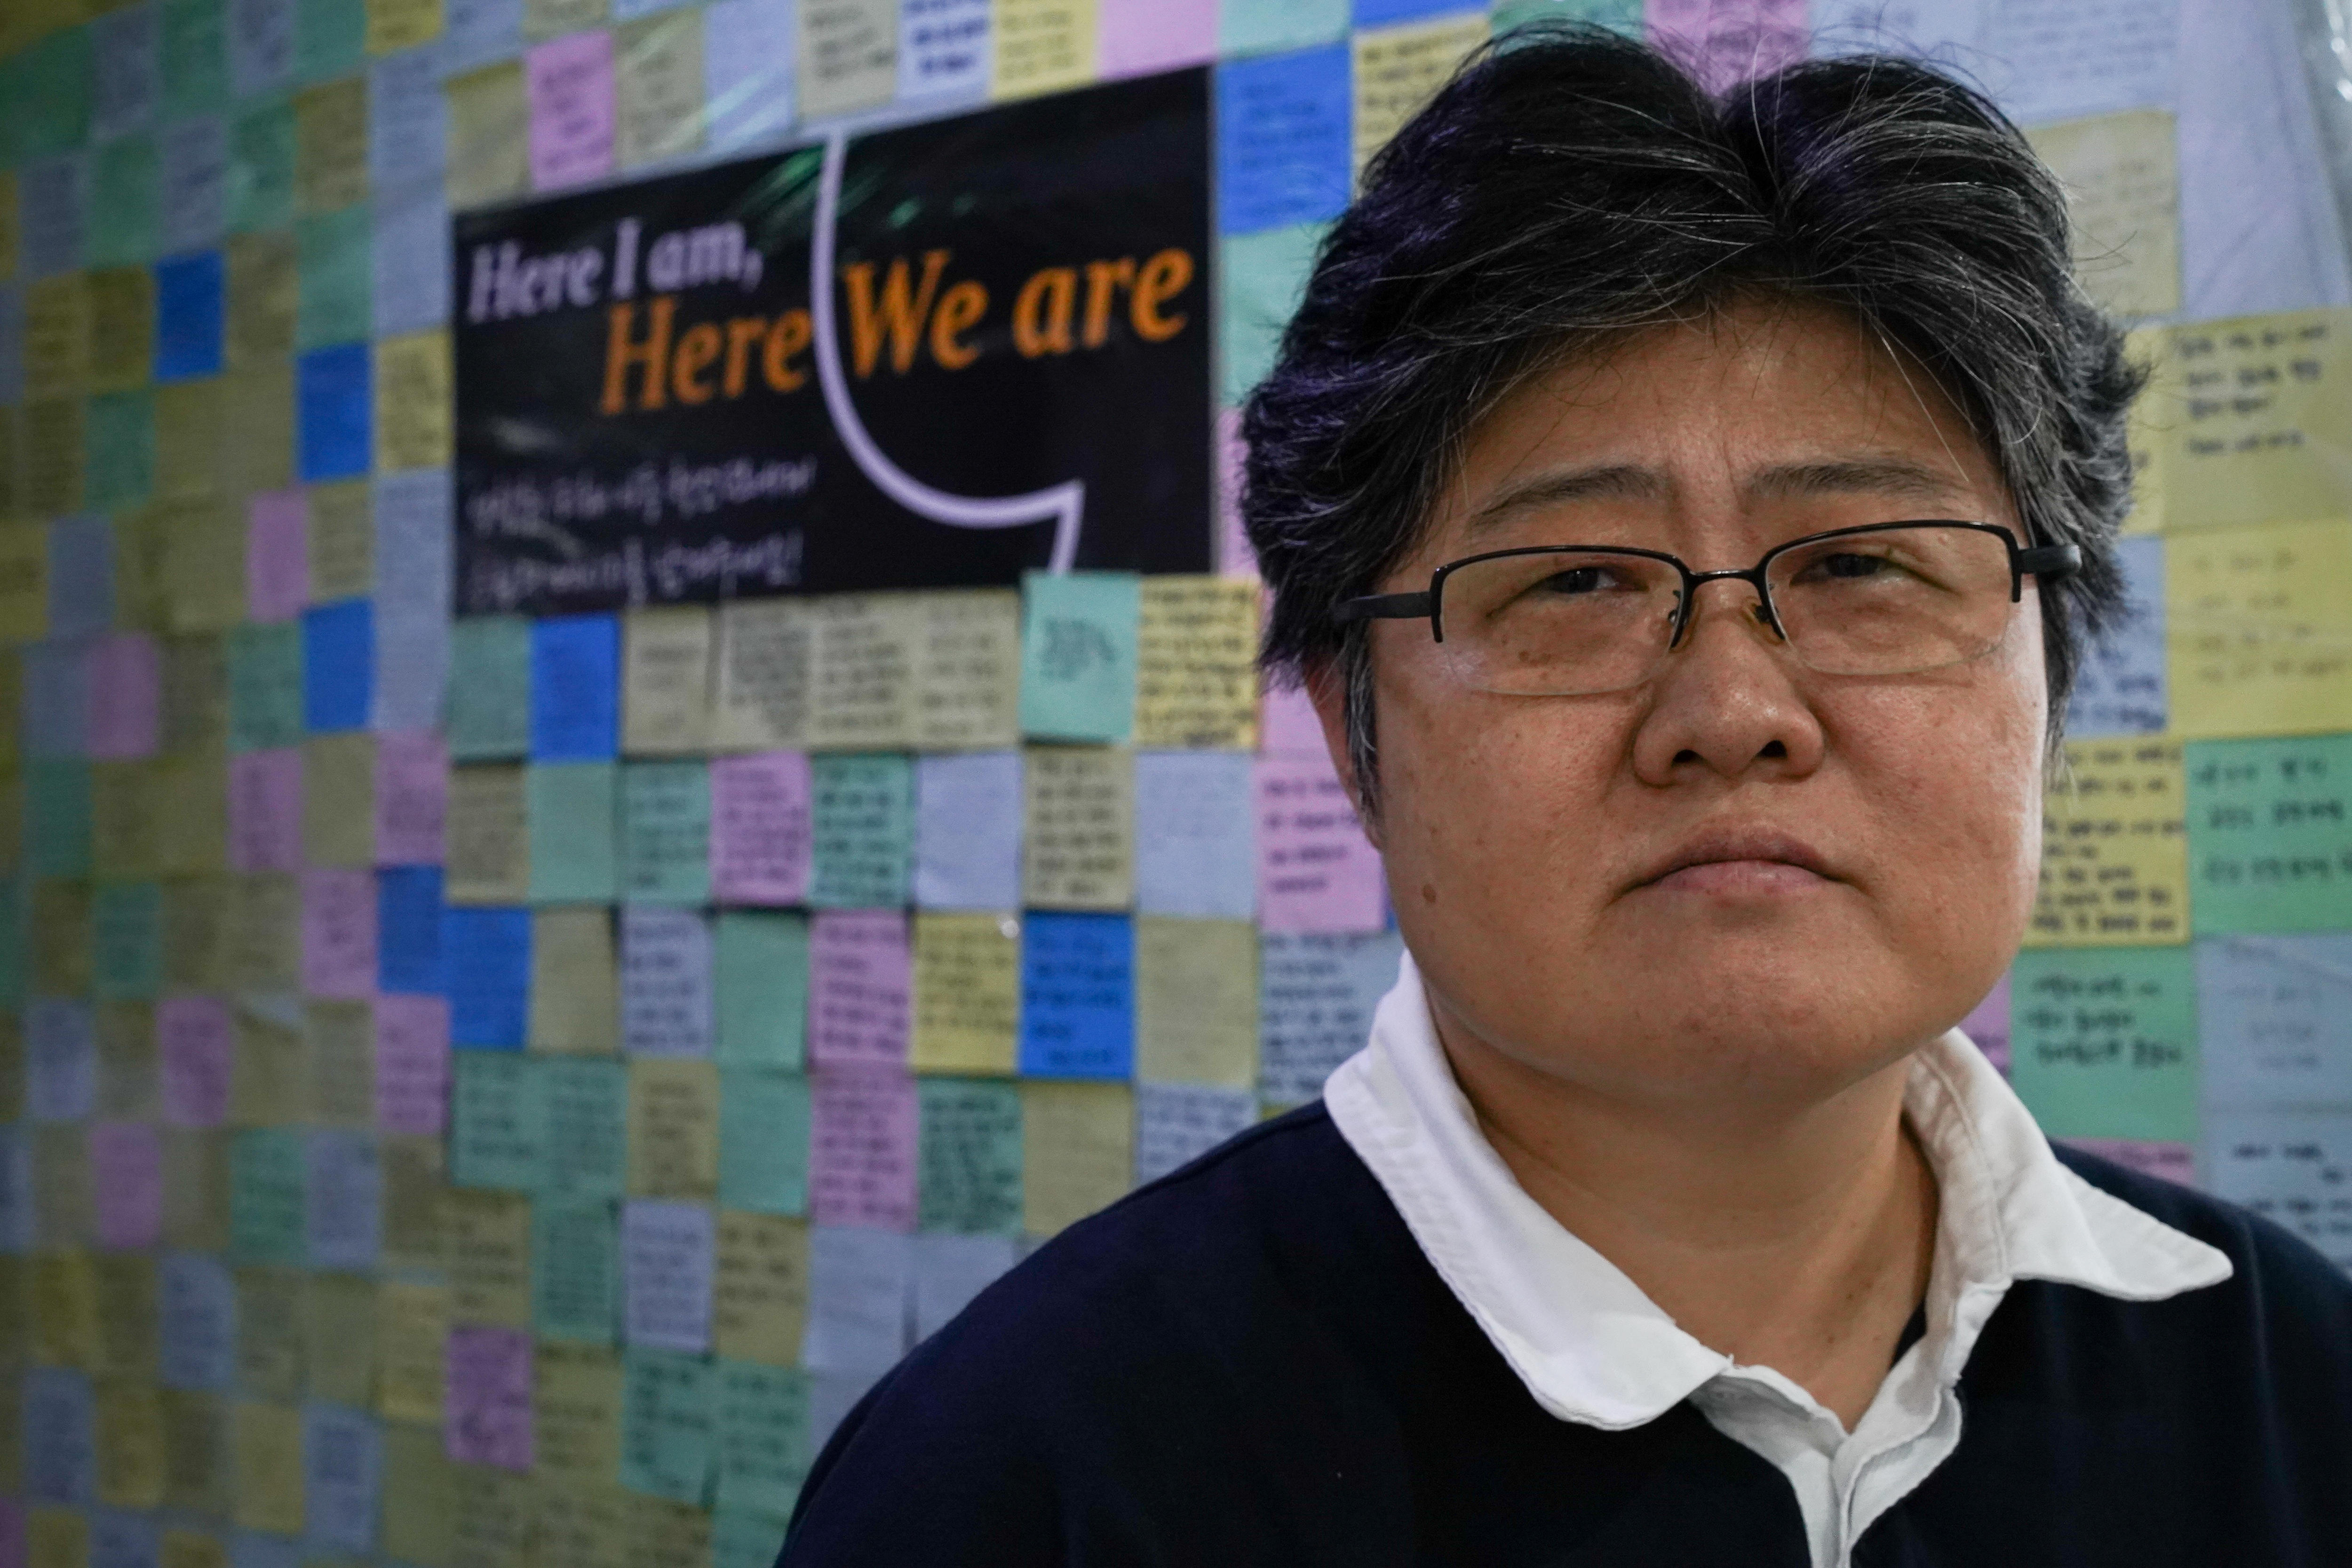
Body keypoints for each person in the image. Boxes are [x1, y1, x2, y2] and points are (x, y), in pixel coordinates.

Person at [779, 26, 2352, 1567]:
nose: (1733, 710)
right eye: (1578, 578)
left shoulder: (2292, 1379)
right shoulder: (1030, 1480)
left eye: (1866, 563)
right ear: (1351, 723)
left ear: (2048, 676)